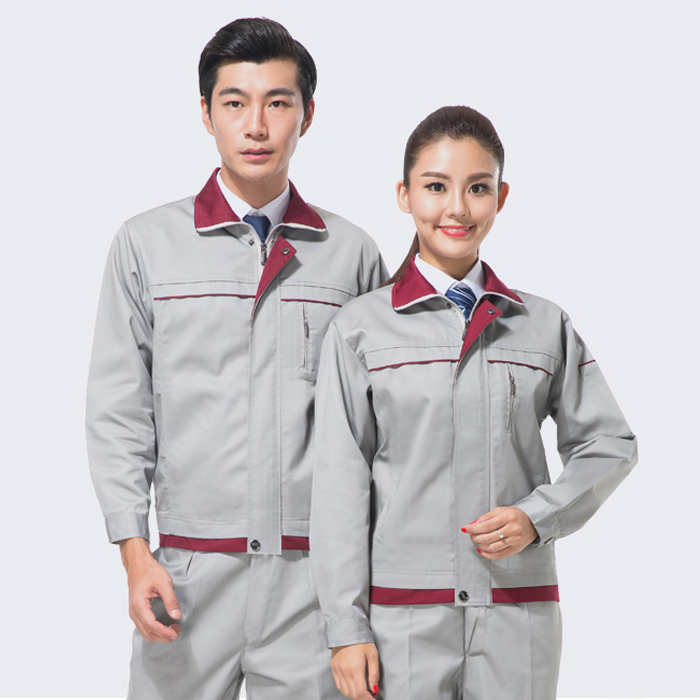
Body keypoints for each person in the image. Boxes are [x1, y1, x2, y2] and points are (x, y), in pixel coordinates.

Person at [86, 17, 386, 700]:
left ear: (307, 115)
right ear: (206, 113)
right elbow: (118, 409)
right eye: (234, 103)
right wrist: (135, 554)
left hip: (313, 585)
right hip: (187, 578)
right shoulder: (146, 245)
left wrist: (360, 597)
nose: (256, 125)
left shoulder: (351, 255)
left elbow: (380, 431)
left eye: (278, 103)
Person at [310, 105, 637, 700]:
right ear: (405, 195)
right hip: (401, 618)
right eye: (436, 187)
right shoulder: (360, 330)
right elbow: (338, 486)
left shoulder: (543, 324)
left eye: (477, 188)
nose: (457, 208)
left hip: (517, 612)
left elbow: (609, 443)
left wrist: (538, 517)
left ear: (500, 197)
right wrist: (345, 628)